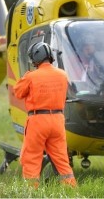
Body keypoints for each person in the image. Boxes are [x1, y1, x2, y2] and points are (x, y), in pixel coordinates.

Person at [14, 42, 77, 188]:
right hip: (57, 121)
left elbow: (18, 92)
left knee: (32, 158)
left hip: (38, 121)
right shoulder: (62, 75)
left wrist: (27, 75)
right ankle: (70, 190)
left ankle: (30, 192)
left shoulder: (31, 77)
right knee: (62, 160)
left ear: (36, 57)